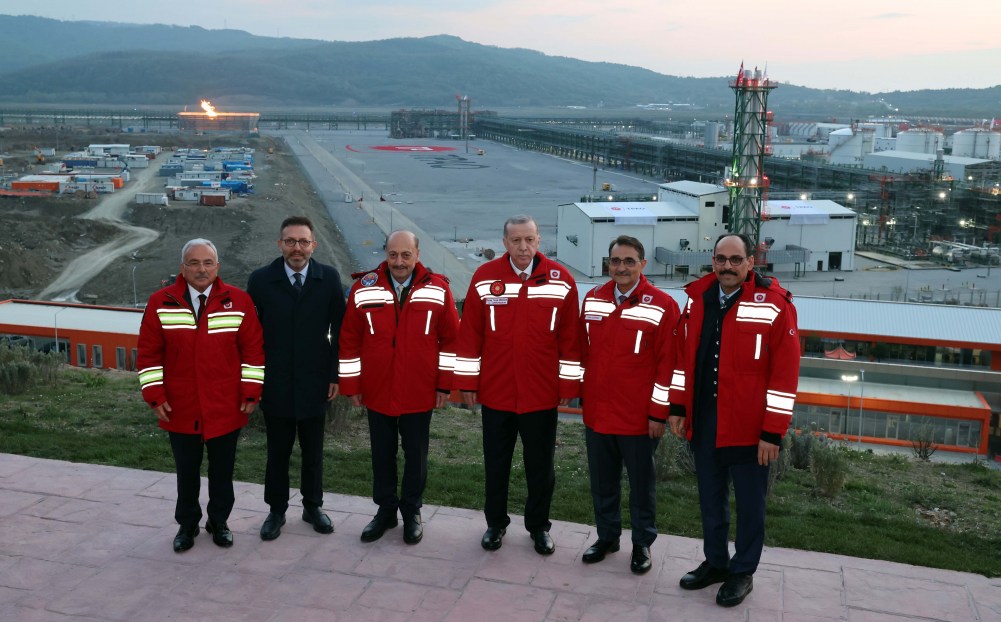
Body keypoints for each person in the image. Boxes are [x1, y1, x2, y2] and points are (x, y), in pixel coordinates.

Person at [668, 232, 800, 607]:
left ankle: (742, 571)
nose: (727, 266)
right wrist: (678, 408)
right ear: (712, 261)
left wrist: (772, 433)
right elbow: (683, 360)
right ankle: (715, 562)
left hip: (750, 427)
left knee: (750, 505)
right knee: (711, 499)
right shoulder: (697, 300)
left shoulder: (775, 304)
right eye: (721, 259)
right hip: (706, 422)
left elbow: (785, 375)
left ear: (750, 263)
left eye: (735, 260)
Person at [454, 214, 581, 555]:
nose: (523, 247)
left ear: (539, 241)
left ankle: (539, 527)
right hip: (497, 393)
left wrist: (569, 386)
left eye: (529, 239)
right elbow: (470, 335)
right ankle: (495, 524)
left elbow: (570, 340)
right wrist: (467, 382)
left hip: (541, 394)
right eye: (516, 240)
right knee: (496, 464)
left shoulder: (562, 280)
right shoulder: (485, 277)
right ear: (504, 243)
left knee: (540, 467)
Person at [137, 239, 264, 553]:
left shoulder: (239, 301)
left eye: (208, 262)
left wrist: (251, 392)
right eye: (193, 263)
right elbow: (148, 354)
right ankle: (187, 525)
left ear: (217, 267)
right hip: (180, 406)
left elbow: (253, 352)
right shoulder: (160, 302)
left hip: (226, 405)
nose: (201, 269)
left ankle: (219, 522)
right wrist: (154, 395)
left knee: (222, 471)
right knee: (186, 472)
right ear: (182, 268)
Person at [339, 230, 459, 545]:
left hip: (419, 390)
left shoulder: (439, 289)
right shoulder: (363, 288)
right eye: (393, 255)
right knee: (382, 454)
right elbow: (349, 340)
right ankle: (386, 511)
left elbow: (450, 341)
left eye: (406, 255)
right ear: (386, 254)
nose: (399, 262)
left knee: (415, 456)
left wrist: (444, 386)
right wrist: (352, 384)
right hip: (377, 389)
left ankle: (411, 512)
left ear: (417, 255)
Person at [578, 236, 679, 574]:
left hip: (639, 418)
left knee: (641, 487)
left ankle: (642, 544)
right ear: (608, 264)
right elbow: (584, 352)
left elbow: (668, 365)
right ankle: (607, 537)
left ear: (642, 264)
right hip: (598, 413)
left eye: (629, 261)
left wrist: (658, 414)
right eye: (615, 261)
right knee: (602, 482)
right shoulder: (593, 299)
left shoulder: (663, 305)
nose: (621, 267)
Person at [247, 216, 346, 541]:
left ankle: (312, 507)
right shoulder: (261, 281)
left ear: (313, 245)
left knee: (313, 452)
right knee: (278, 452)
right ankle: (276, 511)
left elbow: (340, 331)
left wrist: (335, 375)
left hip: (315, 382)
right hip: (275, 383)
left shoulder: (328, 278)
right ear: (280, 244)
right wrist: (255, 380)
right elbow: (250, 336)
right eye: (290, 241)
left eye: (303, 242)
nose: (297, 248)